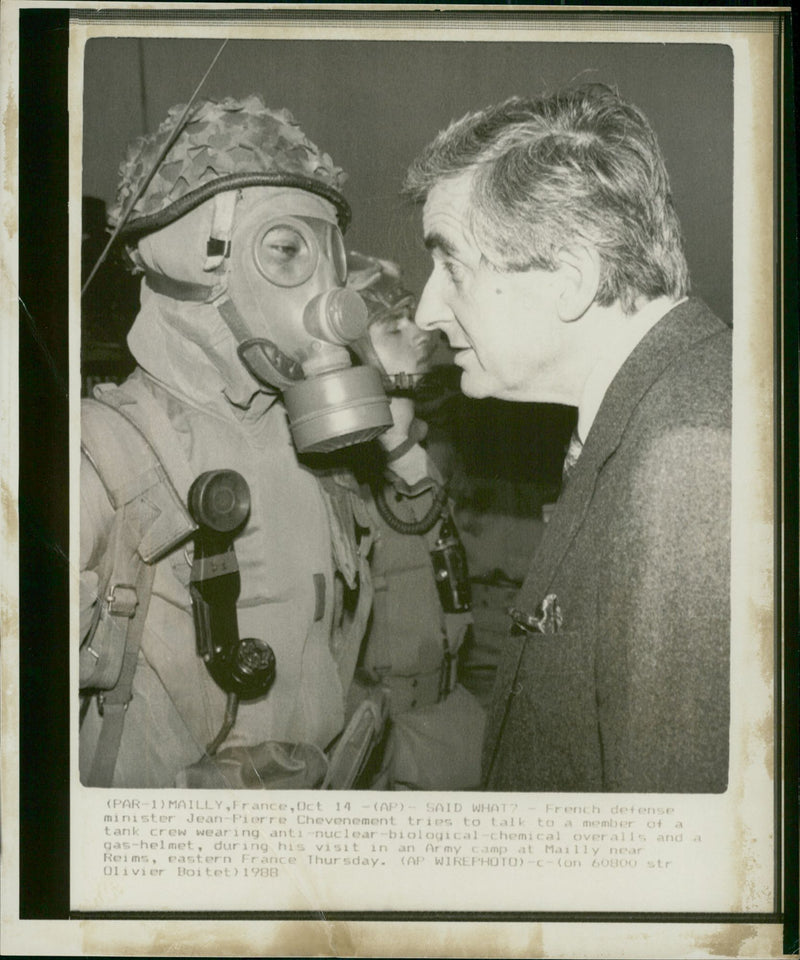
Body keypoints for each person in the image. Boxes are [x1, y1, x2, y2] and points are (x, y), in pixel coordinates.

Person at [78, 96, 438, 789]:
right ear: (193, 254)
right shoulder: (100, 454)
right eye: (286, 251)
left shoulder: (320, 461)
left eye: (328, 255)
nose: (331, 297)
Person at [403, 83, 731, 793]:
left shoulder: (689, 458)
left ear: (571, 280)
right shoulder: (652, 413)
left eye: (451, 266)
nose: (428, 309)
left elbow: (668, 851)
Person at [345, 252, 485, 789]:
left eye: (411, 316)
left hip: (452, 713)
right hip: (387, 739)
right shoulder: (337, 480)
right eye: (391, 325)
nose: (419, 333)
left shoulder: (426, 455)